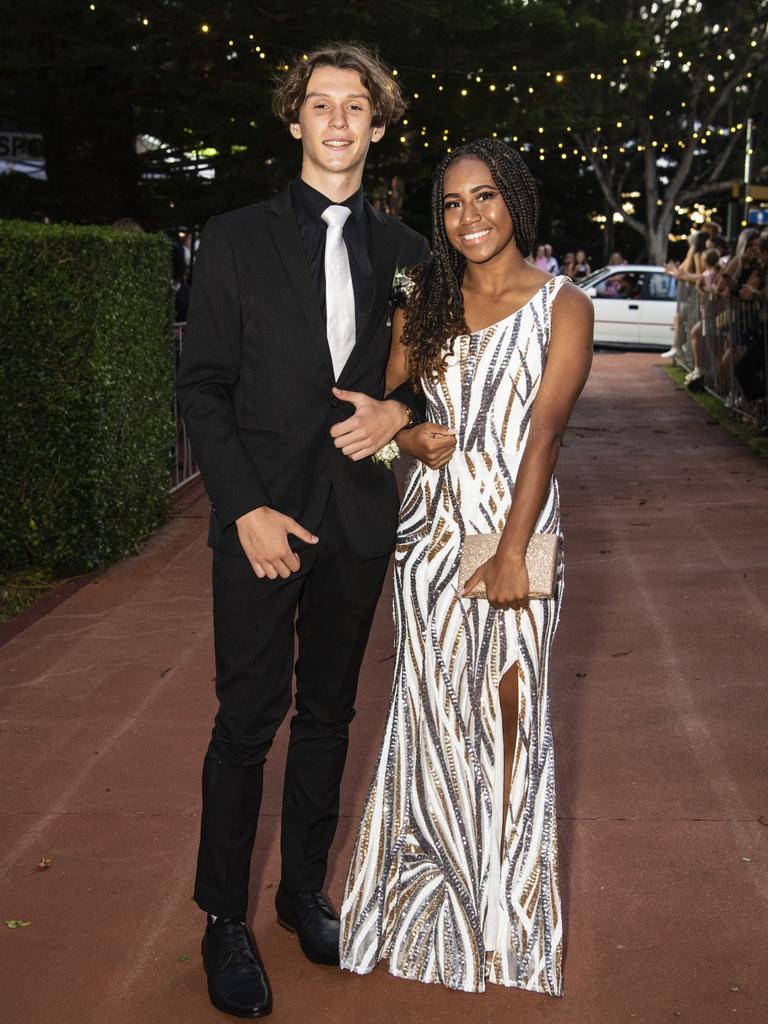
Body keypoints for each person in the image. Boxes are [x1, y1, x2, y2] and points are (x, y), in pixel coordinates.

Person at [176, 42, 434, 1019]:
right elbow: (203, 386)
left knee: (330, 715)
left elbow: (431, 370)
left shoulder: (410, 256)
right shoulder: (236, 237)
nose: (335, 122)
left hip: (357, 520)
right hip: (258, 517)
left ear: (376, 124)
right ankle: (222, 917)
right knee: (246, 721)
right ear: (294, 121)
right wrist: (242, 507)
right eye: (318, 105)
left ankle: (299, 895)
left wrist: (398, 414)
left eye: (353, 107)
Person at [340, 138, 594, 996]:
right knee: (433, 714)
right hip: (432, 536)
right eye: (451, 204)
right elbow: (392, 414)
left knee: (516, 714)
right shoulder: (426, 303)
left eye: (484, 198)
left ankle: (509, 922)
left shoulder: (564, 305)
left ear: (516, 201)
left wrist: (515, 551)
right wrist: (412, 436)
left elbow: (546, 434)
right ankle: (429, 907)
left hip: (513, 530)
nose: (469, 217)